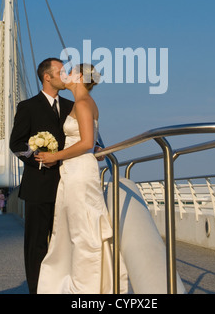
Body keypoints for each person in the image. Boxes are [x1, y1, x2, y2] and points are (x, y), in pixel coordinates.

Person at [36, 64, 127, 294]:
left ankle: (85, 290)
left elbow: (86, 143)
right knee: (73, 230)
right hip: (73, 171)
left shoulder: (84, 103)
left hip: (79, 174)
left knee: (83, 233)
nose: (64, 75)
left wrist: (54, 156)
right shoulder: (83, 102)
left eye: (69, 71)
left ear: (78, 77)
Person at [9, 58, 74, 294]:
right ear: (47, 77)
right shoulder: (28, 107)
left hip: (68, 185)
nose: (65, 75)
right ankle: (36, 290)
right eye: (61, 72)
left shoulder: (71, 106)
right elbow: (16, 143)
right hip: (38, 185)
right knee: (36, 244)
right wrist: (38, 157)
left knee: (64, 242)